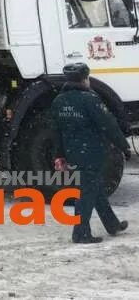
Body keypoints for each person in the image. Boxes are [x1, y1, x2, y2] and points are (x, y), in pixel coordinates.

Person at [52, 62, 131, 244]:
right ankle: (81, 233)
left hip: (73, 152)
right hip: (91, 151)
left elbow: (56, 131)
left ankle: (112, 224)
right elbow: (108, 124)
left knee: (94, 187)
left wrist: (59, 155)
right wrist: (124, 146)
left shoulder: (58, 101)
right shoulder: (90, 99)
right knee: (87, 192)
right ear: (85, 79)